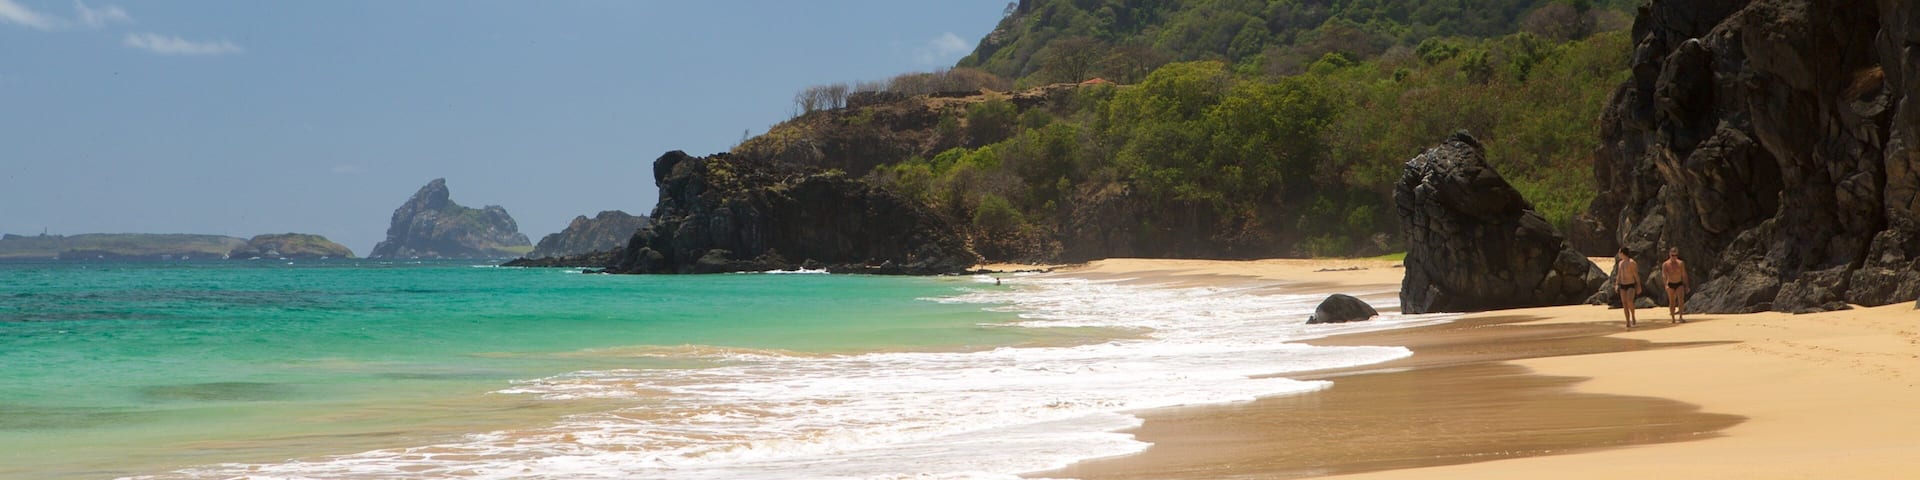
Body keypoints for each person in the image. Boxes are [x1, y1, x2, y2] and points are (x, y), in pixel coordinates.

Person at [1663, 246, 1690, 323]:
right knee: (1672, 302)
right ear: (1669, 255)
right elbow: (1664, 275)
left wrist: (1687, 285)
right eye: (1672, 255)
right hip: (1670, 284)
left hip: (1679, 283)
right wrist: (1666, 285)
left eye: (1675, 255)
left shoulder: (1680, 263)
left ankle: (1681, 317)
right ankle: (1673, 318)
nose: (1674, 257)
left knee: (1681, 300)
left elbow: (1684, 275)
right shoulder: (1666, 264)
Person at [1616, 247, 1640, 329]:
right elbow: (1619, 275)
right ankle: (1627, 321)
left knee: (1629, 301)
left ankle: (1633, 315)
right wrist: (1616, 284)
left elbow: (1636, 275)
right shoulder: (1620, 263)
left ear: (1623, 253)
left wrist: (1638, 286)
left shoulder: (1632, 262)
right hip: (1622, 285)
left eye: (1619, 252)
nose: (1618, 254)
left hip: (1631, 284)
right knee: (1624, 303)